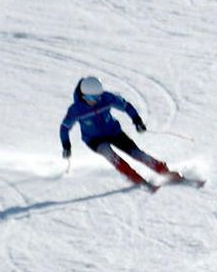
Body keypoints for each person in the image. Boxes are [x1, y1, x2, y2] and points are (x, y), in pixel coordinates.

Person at [59, 76, 191, 190]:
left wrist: (137, 120)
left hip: (113, 132)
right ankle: (135, 177)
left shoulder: (106, 98)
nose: (95, 100)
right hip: (94, 140)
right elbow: (64, 128)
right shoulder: (75, 110)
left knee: (137, 154)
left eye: (97, 96)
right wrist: (66, 146)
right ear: (83, 95)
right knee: (109, 154)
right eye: (91, 97)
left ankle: (165, 172)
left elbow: (126, 106)